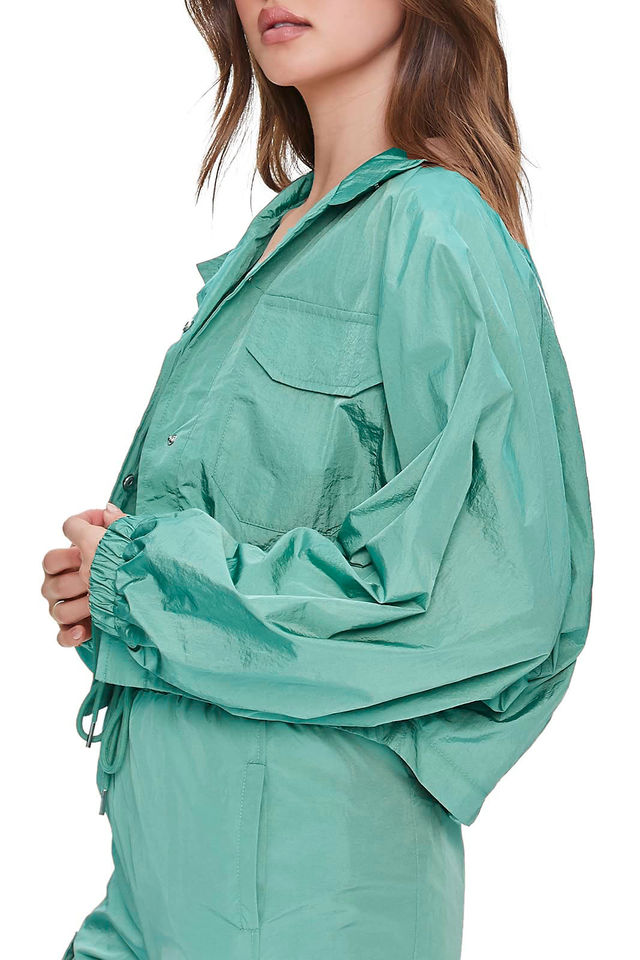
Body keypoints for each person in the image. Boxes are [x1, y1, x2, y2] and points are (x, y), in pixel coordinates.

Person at [41, 2, 595, 958]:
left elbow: (490, 600)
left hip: (306, 889)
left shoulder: (436, 227)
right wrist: (108, 592)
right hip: (154, 871)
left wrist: (144, 582)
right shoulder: (274, 236)